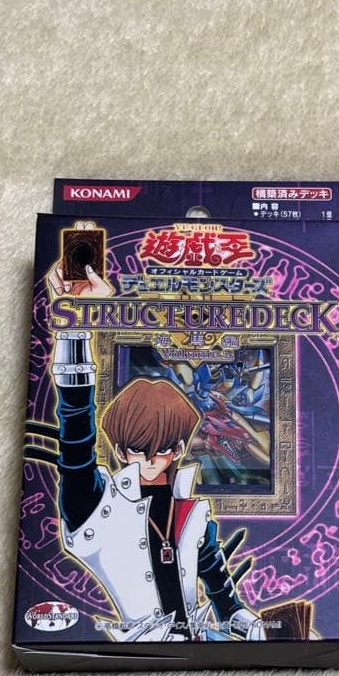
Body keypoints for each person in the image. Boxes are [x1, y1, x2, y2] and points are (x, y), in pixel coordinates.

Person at [47, 261, 262, 642]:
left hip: (199, 645)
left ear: (178, 448)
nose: (148, 459)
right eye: (136, 449)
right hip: (140, 647)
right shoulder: (97, 505)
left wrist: (254, 626)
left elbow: (225, 601)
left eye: (162, 448)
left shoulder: (192, 515)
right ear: (120, 449)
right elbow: (75, 431)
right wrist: (75, 325)